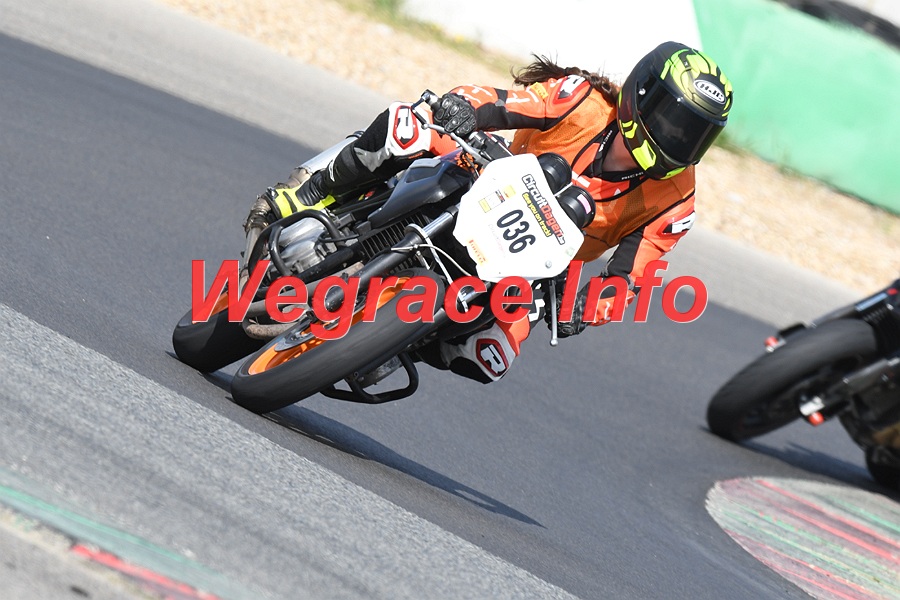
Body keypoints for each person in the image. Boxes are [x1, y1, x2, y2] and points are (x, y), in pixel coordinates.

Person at [245, 41, 733, 383]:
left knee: (489, 357)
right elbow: (506, 101)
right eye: (673, 122)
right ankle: (306, 193)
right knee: (407, 128)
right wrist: (463, 107)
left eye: (693, 135)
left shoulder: (676, 199)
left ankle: (393, 341)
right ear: (641, 94)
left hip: (539, 265)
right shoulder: (584, 102)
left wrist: (587, 309)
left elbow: (631, 279)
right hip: (484, 177)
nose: (677, 140)